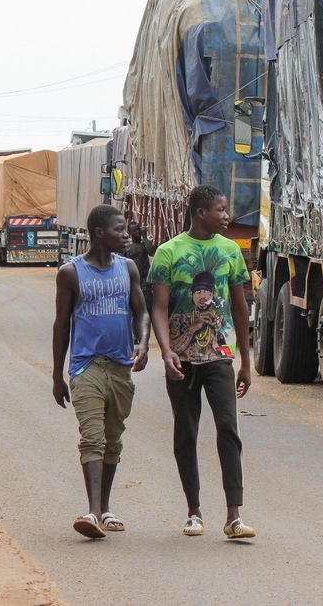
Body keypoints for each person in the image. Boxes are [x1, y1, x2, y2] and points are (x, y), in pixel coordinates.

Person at [147, 185, 254, 540]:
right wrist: (166, 352)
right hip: (181, 360)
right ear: (201, 213)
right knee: (186, 433)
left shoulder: (230, 252)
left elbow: (240, 307)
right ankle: (193, 511)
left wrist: (245, 362)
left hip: (219, 358)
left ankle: (234, 515)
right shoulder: (168, 252)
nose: (227, 216)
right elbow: (159, 308)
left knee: (228, 429)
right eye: (221, 209)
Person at [52, 204, 149, 540]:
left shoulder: (129, 268)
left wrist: (144, 343)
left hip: (121, 368)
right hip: (86, 366)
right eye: (119, 230)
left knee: (112, 440)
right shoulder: (70, 273)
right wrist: (56, 376)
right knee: (92, 436)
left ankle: (105, 509)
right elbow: (61, 325)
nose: (126, 235)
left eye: (125, 230)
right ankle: (92, 512)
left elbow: (142, 312)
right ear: (99, 234)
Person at [124, 220, 156, 311]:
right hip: (132, 285)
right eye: (135, 231)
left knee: (147, 310)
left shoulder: (144, 245)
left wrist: (145, 235)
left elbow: (150, 251)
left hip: (145, 286)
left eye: (138, 230)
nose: (138, 233)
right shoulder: (127, 247)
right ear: (130, 233)